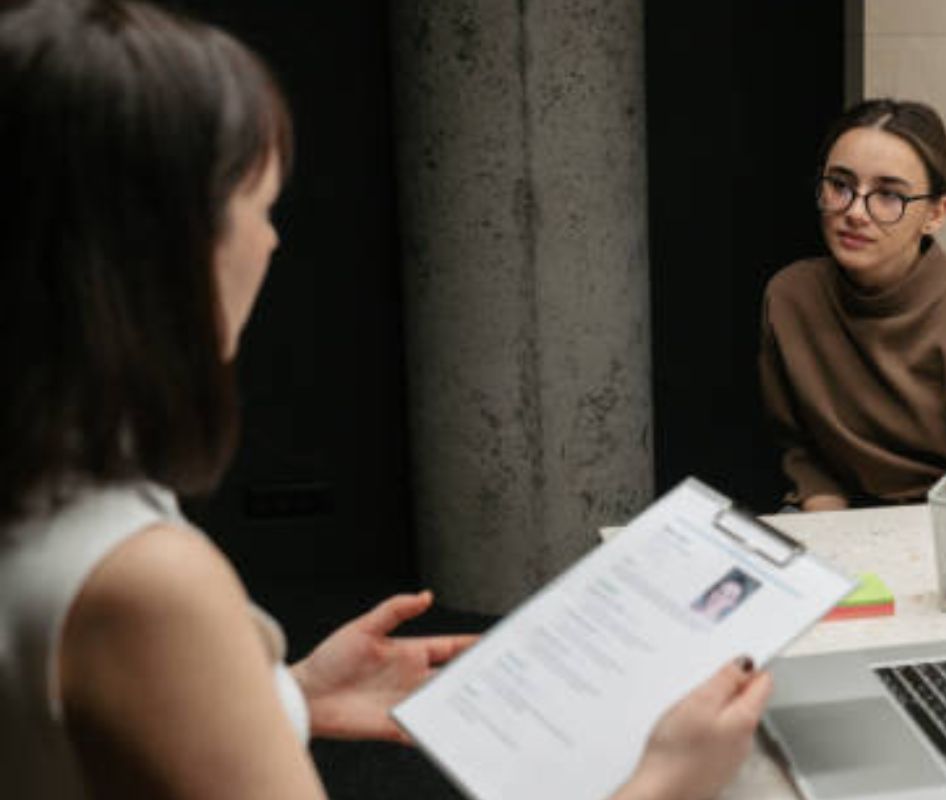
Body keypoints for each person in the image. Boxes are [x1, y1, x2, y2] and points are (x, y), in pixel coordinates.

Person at [0, 1, 769, 798]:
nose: (271, 243)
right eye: (257, 208)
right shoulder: (148, 583)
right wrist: (671, 780)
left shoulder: (44, 499)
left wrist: (287, 696)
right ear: (156, 249)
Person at [759, 99, 946, 511]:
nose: (854, 212)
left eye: (888, 195)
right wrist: (825, 524)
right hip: (848, 516)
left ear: (936, 214)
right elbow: (801, 449)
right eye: (840, 185)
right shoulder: (791, 298)